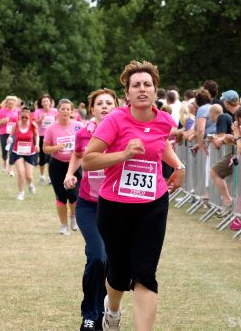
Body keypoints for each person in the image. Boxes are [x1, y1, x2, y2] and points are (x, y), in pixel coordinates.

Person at [82, 60, 185, 331]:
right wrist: (124, 154)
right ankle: (112, 311)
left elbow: (159, 143)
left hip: (153, 203)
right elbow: (89, 161)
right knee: (118, 273)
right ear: (126, 94)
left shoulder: (164, 121)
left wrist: (179, 166)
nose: (142, 89)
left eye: (147, 85)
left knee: (145, 273)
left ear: (155, 91)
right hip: (115, 206)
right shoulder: (115, 119)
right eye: (136, 85)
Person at [63, 89, 119, 331]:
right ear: (91, 108)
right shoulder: (84, 133)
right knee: (96, 257)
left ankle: (109, 309)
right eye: (100, 103)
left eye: (109, 103)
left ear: (116, 106)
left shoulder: (123, 133)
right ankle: (90, 313)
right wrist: (69, 174)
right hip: (88, 205)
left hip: (116, 206)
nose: (105, 106)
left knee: (111, 263)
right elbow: (77, 155)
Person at [43, 99, 82, 235]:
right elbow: (45, 149)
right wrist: (57, 147)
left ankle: (73, 217)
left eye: (68, 109)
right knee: (61, 196)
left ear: (72, 111)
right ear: (58, 111)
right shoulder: (51, 128)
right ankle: (63, 225)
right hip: (57, 165)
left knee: (74, 195)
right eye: (63, 109)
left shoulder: (78, 126)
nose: (65, 111)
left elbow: (85, 143)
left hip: (75, 165)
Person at [7, 107, 39, 200]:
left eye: (26, 117)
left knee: (29, 176)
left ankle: (30, 184)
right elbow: (11, 135)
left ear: (29, 116)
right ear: (20, 116)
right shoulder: (15, 125)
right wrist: (9, 139)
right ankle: (21, 192)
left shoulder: (33, 125)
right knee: (21, 173)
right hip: (18, 151)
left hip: (30, 152)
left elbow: (37, 135)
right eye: (23, 117)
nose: (24, 119)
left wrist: (37, 144)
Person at [33, 94, 58, 184]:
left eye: (47, 101)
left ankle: (51, 177)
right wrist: (40, 119)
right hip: (41, 136)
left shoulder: (55, 111)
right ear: (41, 103)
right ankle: (42, 176)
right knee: (43, 157)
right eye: (43, 101)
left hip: (53, 136)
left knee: (52, 158)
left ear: (50, 102)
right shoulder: (38, 111)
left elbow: (58, 122)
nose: (45, 103)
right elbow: (34, 123)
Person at [0, 95, 19, 175]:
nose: (10, 105)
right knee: (4, 151)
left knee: (12, 151)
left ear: (14, 104)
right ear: (6, 103)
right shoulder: (2, 111)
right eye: (9, 103)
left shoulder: (17, 111)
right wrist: (3, 121)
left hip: (13, 133)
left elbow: (19, 122)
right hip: (4, 133)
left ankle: (11, 169)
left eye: (12, 104)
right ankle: (4, 161)